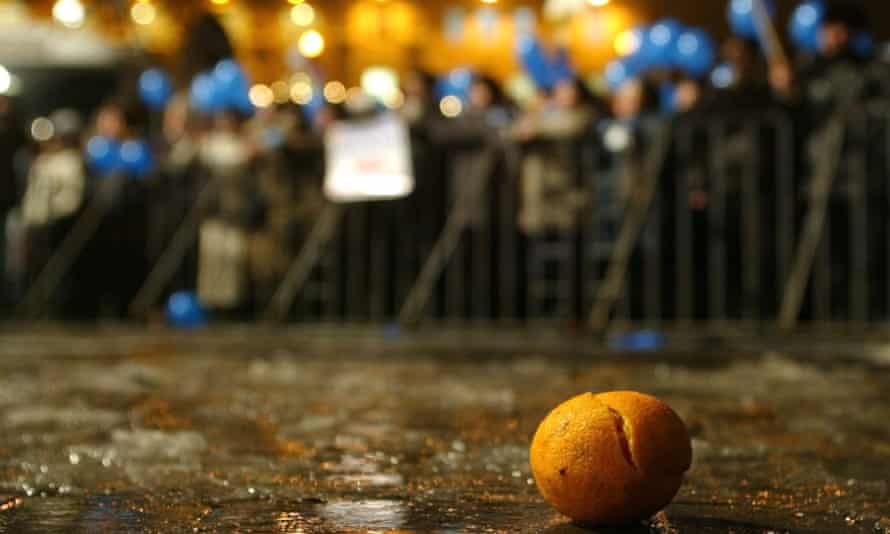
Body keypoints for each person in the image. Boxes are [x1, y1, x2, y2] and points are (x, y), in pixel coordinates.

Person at [512, 78, 599, 235]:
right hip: (541, 190)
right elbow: (519, 130)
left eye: (567, 90)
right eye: (560, 91)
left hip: (567, 187)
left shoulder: (584, 115)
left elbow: (567, 127)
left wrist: (537, 127)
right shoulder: (546, 114)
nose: (563, 95)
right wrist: (535, 111)